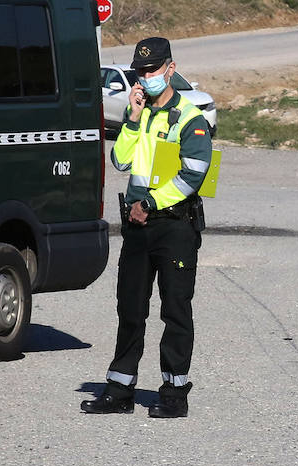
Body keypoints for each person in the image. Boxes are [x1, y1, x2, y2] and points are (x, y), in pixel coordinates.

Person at [82, 36, 212, 419]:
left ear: (170, 69)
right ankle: (120, 389)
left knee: (175, 311)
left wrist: (151, 203)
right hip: (138, 227)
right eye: (140, 72)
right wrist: (133, 118)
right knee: (131, 309)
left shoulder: (189, 118)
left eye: (152, 70)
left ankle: (174, 393)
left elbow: (194, 175)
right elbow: (121, 160)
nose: (145, 77)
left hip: (173, 226)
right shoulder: (140, 114)